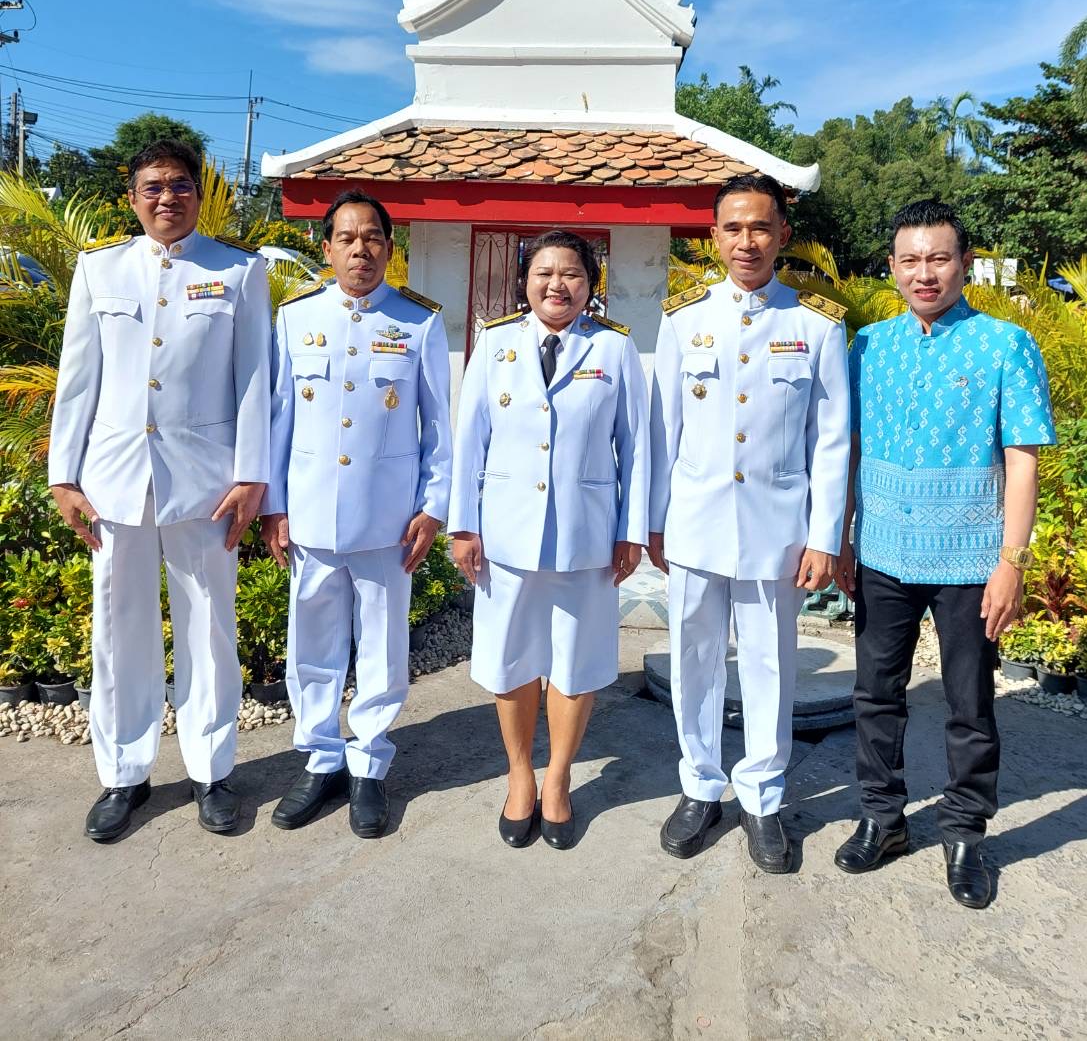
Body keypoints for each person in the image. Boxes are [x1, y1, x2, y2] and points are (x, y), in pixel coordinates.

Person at [833, 199, 1055, 909]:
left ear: (964, 261)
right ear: (891, 266)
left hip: (969, 559)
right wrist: (842, 536)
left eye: (938, 257)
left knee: (968, 703)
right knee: (875, 694)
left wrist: (1011, 561)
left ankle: (964, 833)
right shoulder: (866, 345)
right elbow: (851, 449)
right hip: (884, 552)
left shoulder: (1005, 344)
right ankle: (882, 817)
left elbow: (1022, 460)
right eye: (909, 259)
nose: (924, 272)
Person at [48, 139, 271, 841]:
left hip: (206, 482)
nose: (166, 197)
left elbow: (254, 379)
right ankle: (124, 773)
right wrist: (64, 474)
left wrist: (252, 473)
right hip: (115, 479)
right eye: (152, 186)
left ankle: (211, 770)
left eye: (179, 185)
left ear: (198, 192)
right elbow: (78, 377)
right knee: (120, 627)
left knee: (208, 625)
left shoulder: (238, 271)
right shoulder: (100, 268)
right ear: (132, 195)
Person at [650, 173, 850, 871]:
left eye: (761, 226)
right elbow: (662, 431)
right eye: (732, 227)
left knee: (769, 664)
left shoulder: (816, 324)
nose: (747, 240)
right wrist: (655, 522)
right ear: (713, 236)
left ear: (783, 235)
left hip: (777, 530)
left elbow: (832, 439)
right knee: (695, 660)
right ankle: (701, 786)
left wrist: (827, 535)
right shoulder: (683, 319)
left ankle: (763, 795)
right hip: (697, 524)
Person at [448, 231, 649, 850]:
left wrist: (631, 532)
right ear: (524, 280)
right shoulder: (496, 343)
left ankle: (557, 779)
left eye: (572, 275)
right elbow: (469, 440)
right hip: (505, 536)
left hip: (586, 538)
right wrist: (464, 523)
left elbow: (638, 448)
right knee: (511, 659)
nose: (557, 286)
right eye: (544, 273)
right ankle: (518, 776)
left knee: (575, 661)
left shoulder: (614, 349)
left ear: (591, 286)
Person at [262, 191, 451, 838]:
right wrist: (274, 507)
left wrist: (433, 507)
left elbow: (440, 429)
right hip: (311, 515)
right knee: (310, 645)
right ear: (327, 248)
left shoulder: (419, 321)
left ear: (390, 248)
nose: (360, 248)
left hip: (388, 520)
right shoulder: (294, 317)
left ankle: (369, 764)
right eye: (347, 237)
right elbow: (278, 418)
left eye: (373, 237)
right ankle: (320, 759)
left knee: (381, 646)